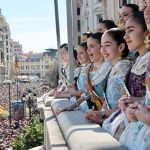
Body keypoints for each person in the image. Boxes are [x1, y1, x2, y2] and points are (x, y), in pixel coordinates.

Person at [85, 29, 132, 136]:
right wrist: (100, 114)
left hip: (122, 123)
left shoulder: (123, 67)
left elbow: (125, 105)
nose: (103, 50)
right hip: (113, 119)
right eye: (102, 46)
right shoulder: (114, 67)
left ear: (121, 47)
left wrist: (101, 114)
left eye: (107, 45)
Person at [55, 32, 112, 114]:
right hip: (92, 110)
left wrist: (77, 93)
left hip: (106, 113)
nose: (88, 50)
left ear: (101, 47)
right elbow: (88, 93)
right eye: (88, 47)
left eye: (91, 47)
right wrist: (72, 106)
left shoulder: (111, 67)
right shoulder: (89, 68)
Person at [119, 4, 150, 150]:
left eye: (130, 31)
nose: (125, 36)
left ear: (146, 32)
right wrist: (133, 106)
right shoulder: (138, 60)